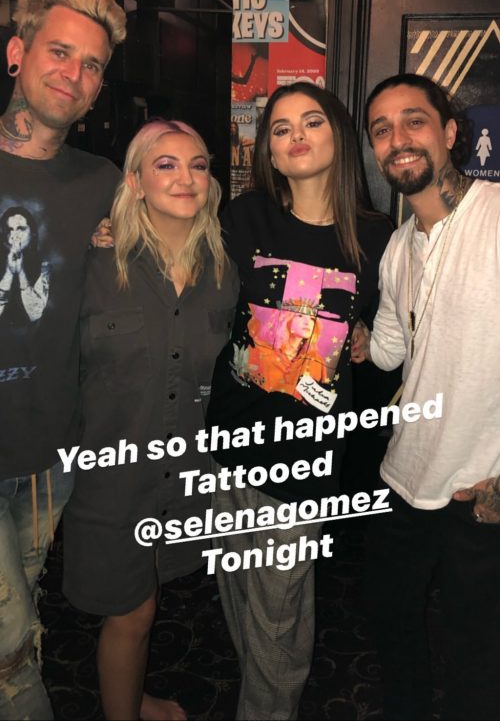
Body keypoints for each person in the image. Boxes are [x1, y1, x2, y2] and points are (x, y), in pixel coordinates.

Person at [206, 81, 392, 720]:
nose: (296, 137)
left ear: (338, 133)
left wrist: (364, 336)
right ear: (269, 150)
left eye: (311, 121)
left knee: (279, 611)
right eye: (281, 129)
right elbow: (182, 269)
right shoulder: (243, 217)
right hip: (230, 436)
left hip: (303, 456)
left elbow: (392, 329)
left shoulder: (377, 235)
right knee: (237, 590)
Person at [62, 119, 239, 721]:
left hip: (185, 474)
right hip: (113, 477)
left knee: (146, 600)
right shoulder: (95, 259)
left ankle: (132, 699)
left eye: (198, 164)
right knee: (131, 610)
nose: (185, 178)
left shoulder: (224, 270)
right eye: (166, 164)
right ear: (135, 181)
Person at [353, 72, 500, 720]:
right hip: (405, 474)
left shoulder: (495, 215)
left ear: (449, 131)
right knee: (391, 624)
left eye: (414, 121)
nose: (398, 140)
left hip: (481, 488)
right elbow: (392, 348)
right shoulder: (398, 245)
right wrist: (356, 340)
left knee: (478, 655)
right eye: (382, 130)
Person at [0, 0, 126, 720]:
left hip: (51, 458)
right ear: (17, 53)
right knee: (11, 647)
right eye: (59, 51)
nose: (73, 73)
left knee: (22, 611)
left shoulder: (103, 182)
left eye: (92, 64)